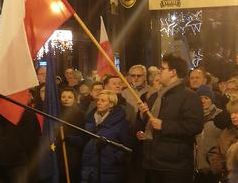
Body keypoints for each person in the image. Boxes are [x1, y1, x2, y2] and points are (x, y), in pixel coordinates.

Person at [137, 53, 203, 183]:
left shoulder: (189, 96)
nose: (159, 73)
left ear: (173, 72)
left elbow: (195, 126)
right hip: (152, 162)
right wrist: (142, 114)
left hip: (175, 166)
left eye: (162, 69)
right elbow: (146, 122)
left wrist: (164, 125)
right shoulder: (155, 96)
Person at [81, 90, 131, 183]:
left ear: (111, 104)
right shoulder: (89, 120)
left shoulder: (121, 123)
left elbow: (126, 146)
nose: (99, 103)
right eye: (98, 100)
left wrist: (113, 159)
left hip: (108, 171)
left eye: (103, 101)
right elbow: (84, 141)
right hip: (88, 169)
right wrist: (67, 138)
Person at [194, 85, 222, 183]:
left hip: (214, 167)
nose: (203, 101)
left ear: (212, 100)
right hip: (196, 166)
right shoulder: (193, 116)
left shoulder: (221, 116)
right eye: (200, 98)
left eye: (206, 98)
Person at [58, 88, 84, 183]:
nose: (66, 99)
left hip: (73, 151)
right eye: (63, 97)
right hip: (58, 149)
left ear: (75, 99)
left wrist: (68, 138)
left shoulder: (80, 114)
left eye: (70, 97)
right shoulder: (56, 113)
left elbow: (82, 136)